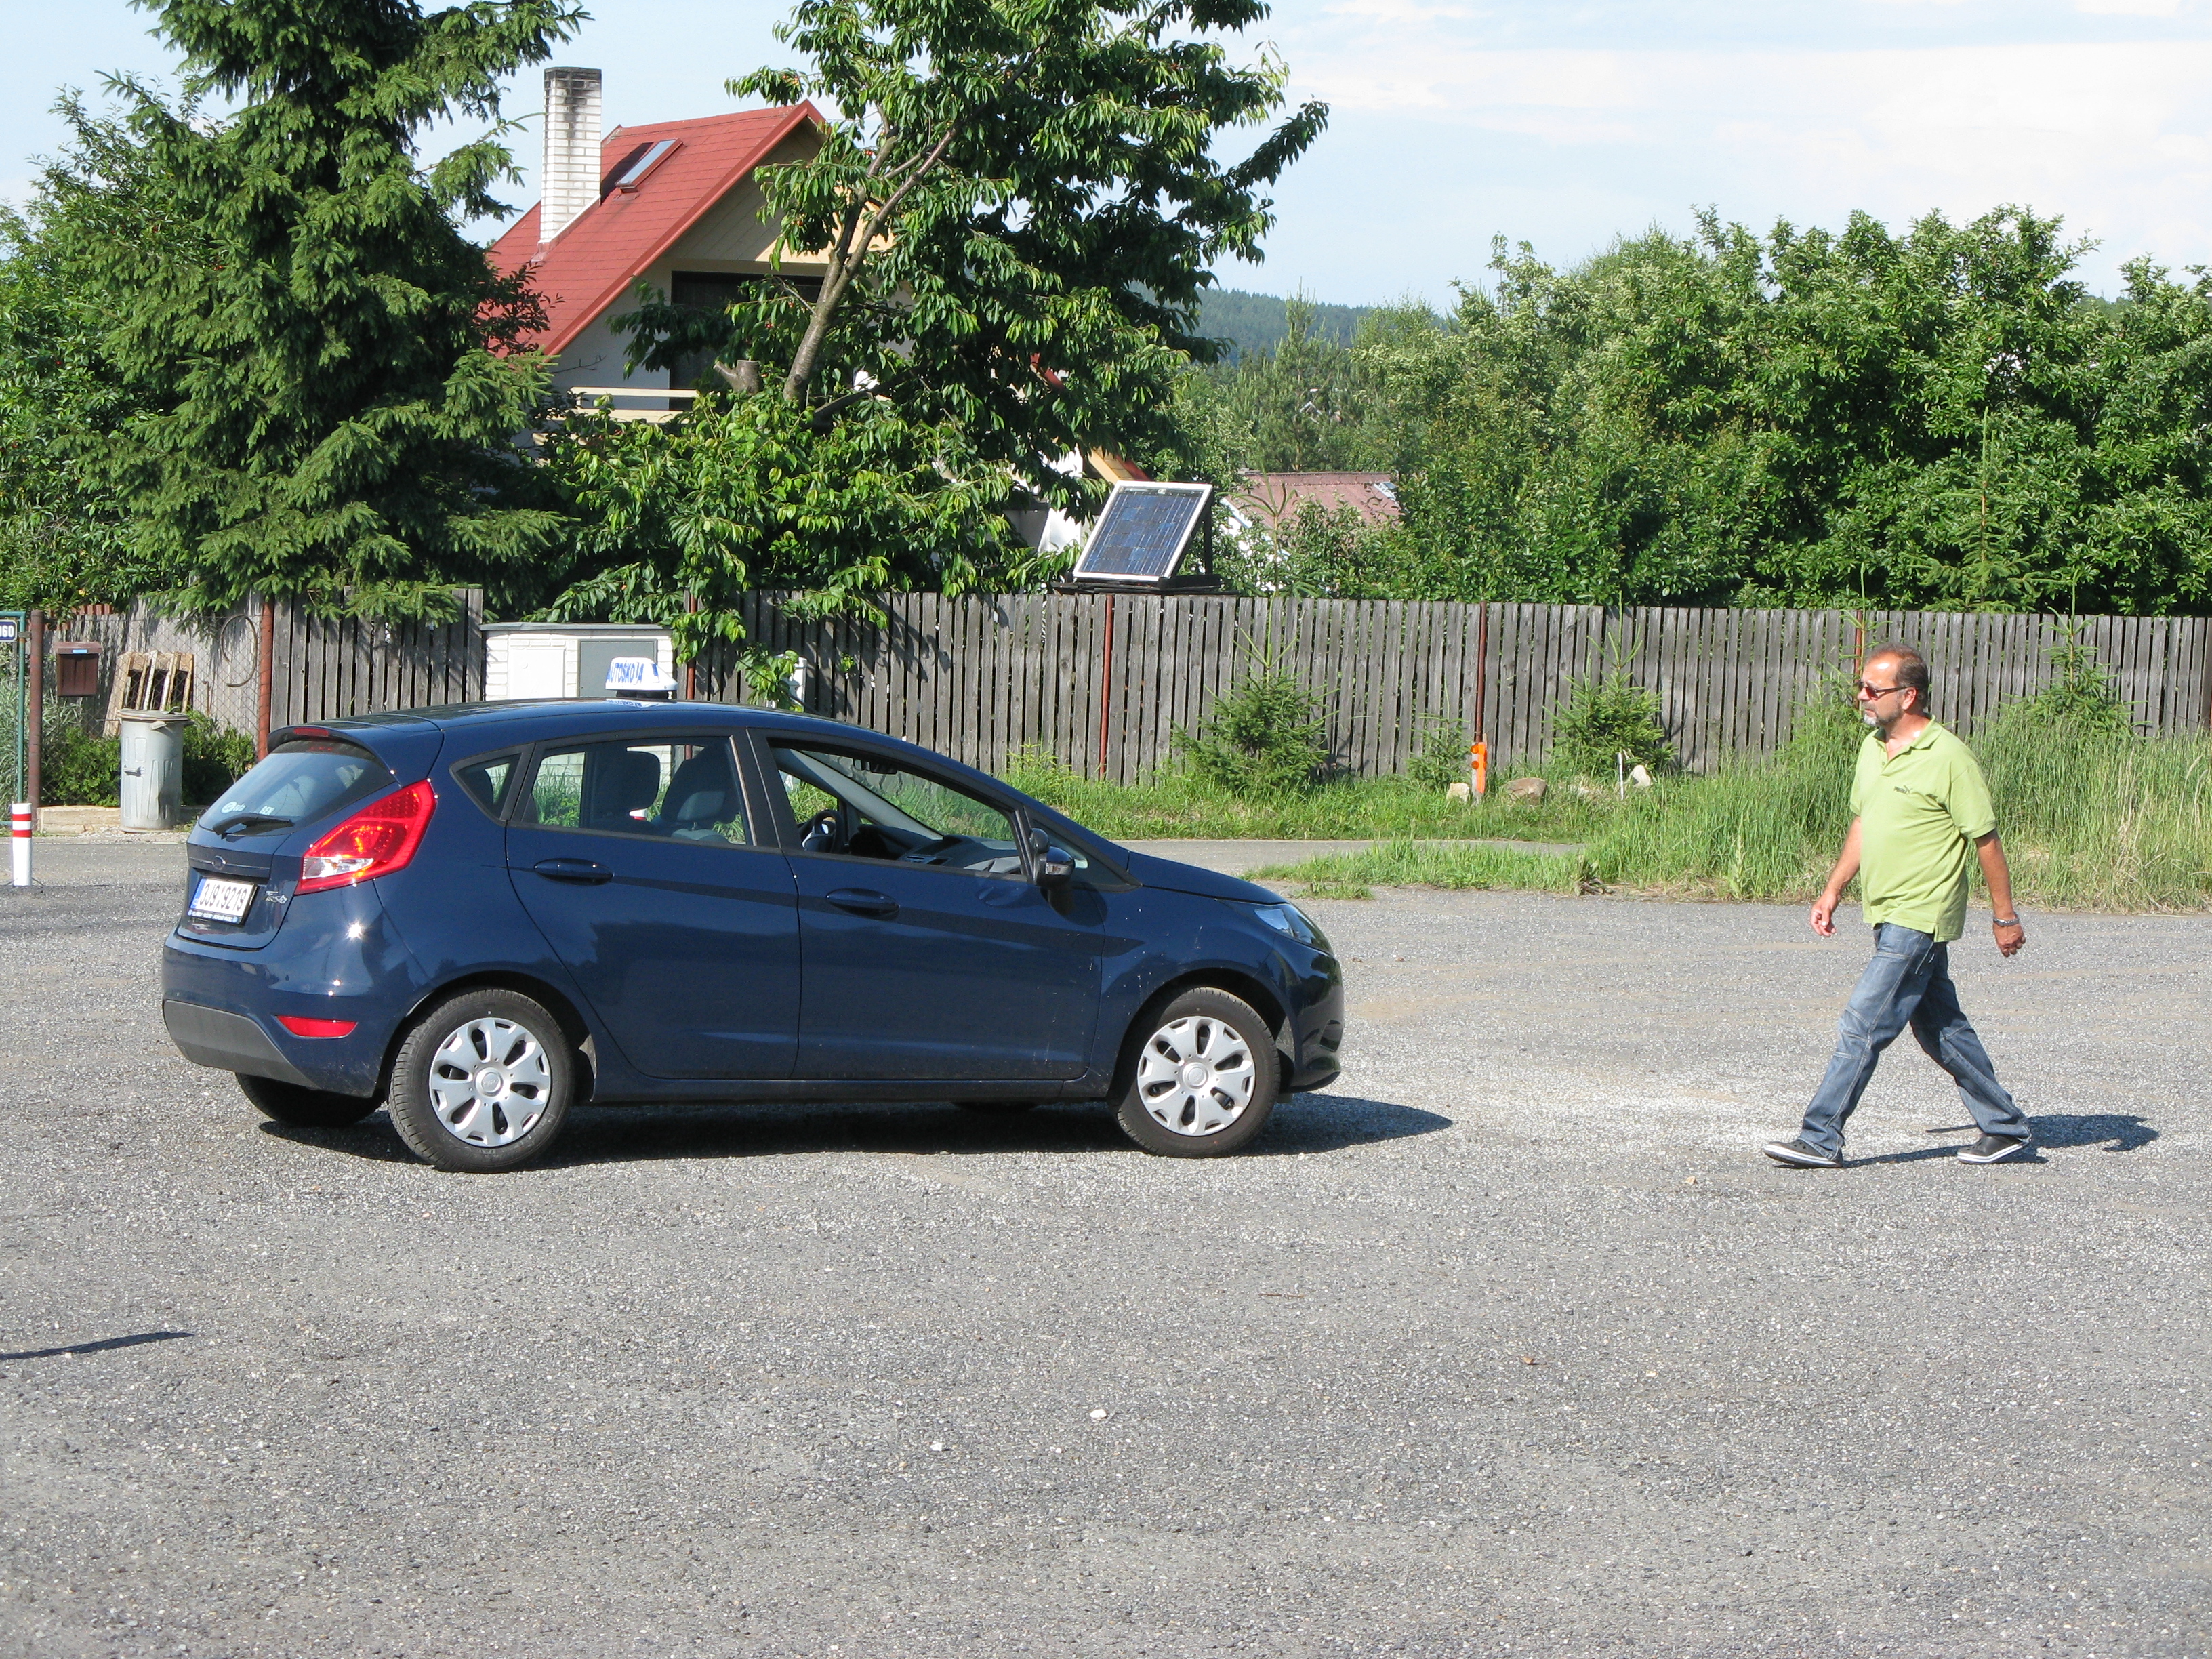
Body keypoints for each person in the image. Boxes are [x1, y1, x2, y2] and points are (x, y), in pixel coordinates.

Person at [1763, 645, 2032, 1168]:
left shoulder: (1949, 755)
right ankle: (2005, 1127)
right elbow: (1864, 823)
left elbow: (1986, 841)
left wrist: (2005, 916)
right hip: (1885, 910)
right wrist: (1833, 889)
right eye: (1861, 687)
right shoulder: (1872, 748)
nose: (1862, 697)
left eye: (1873, 689)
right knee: (1940, 1028)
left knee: (1864, 1022)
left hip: (1921, 913)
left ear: (1908, 696)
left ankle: (1820, 1137)